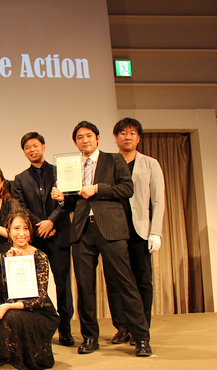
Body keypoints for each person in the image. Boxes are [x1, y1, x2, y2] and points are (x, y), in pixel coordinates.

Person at [51, 120, 152, 357]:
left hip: (111, 229)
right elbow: (75, 202)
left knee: (125, 282)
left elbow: (127, 189)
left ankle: (141, 338)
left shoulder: (114, 159)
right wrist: (63, 199)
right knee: (85, 287)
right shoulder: (72, 166)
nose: (84, 140)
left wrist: (98, 188)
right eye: (79, 137)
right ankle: (89, 337)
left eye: (88, 136)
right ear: (75, 142)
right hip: (82, 231)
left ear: (97, 138)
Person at [0, 209, 60, 370]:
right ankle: (3, 353)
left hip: (38, 311)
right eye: (16, 228)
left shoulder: (40, 256)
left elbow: (39, 299)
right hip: (12, 305)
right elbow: (1, 294)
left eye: (26, 228)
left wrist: (7, 306)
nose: (21, 233)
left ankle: (26, 355)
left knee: (10, 315)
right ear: (8, 231)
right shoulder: (4, 257)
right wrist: (9, 264)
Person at [12, 132, 74, 346]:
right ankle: (38, 330)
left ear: (44, 147)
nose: (32, 150)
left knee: (63, 284)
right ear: (24, 151)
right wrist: (41, 224)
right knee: (35, 287)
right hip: (35, 239)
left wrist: (52, 222)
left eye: (35, 145)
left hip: (59, 235)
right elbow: (21, 208)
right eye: (27, 147)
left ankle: (65, 329)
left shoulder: (59, 171)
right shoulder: (20, 178)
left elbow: (68, 201)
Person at [108, 118, 165, 345]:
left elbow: (158, 200)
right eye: (123, 133)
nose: (127, 137)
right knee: (115, 282)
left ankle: (142, 328)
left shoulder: (150, 164)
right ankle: (122, 327)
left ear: (139, 137)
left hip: (140, 231)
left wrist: (156, 232)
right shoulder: (109, 163)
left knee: (143, 280)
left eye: (132, 133)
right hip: (114, 231)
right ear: (116, 137)